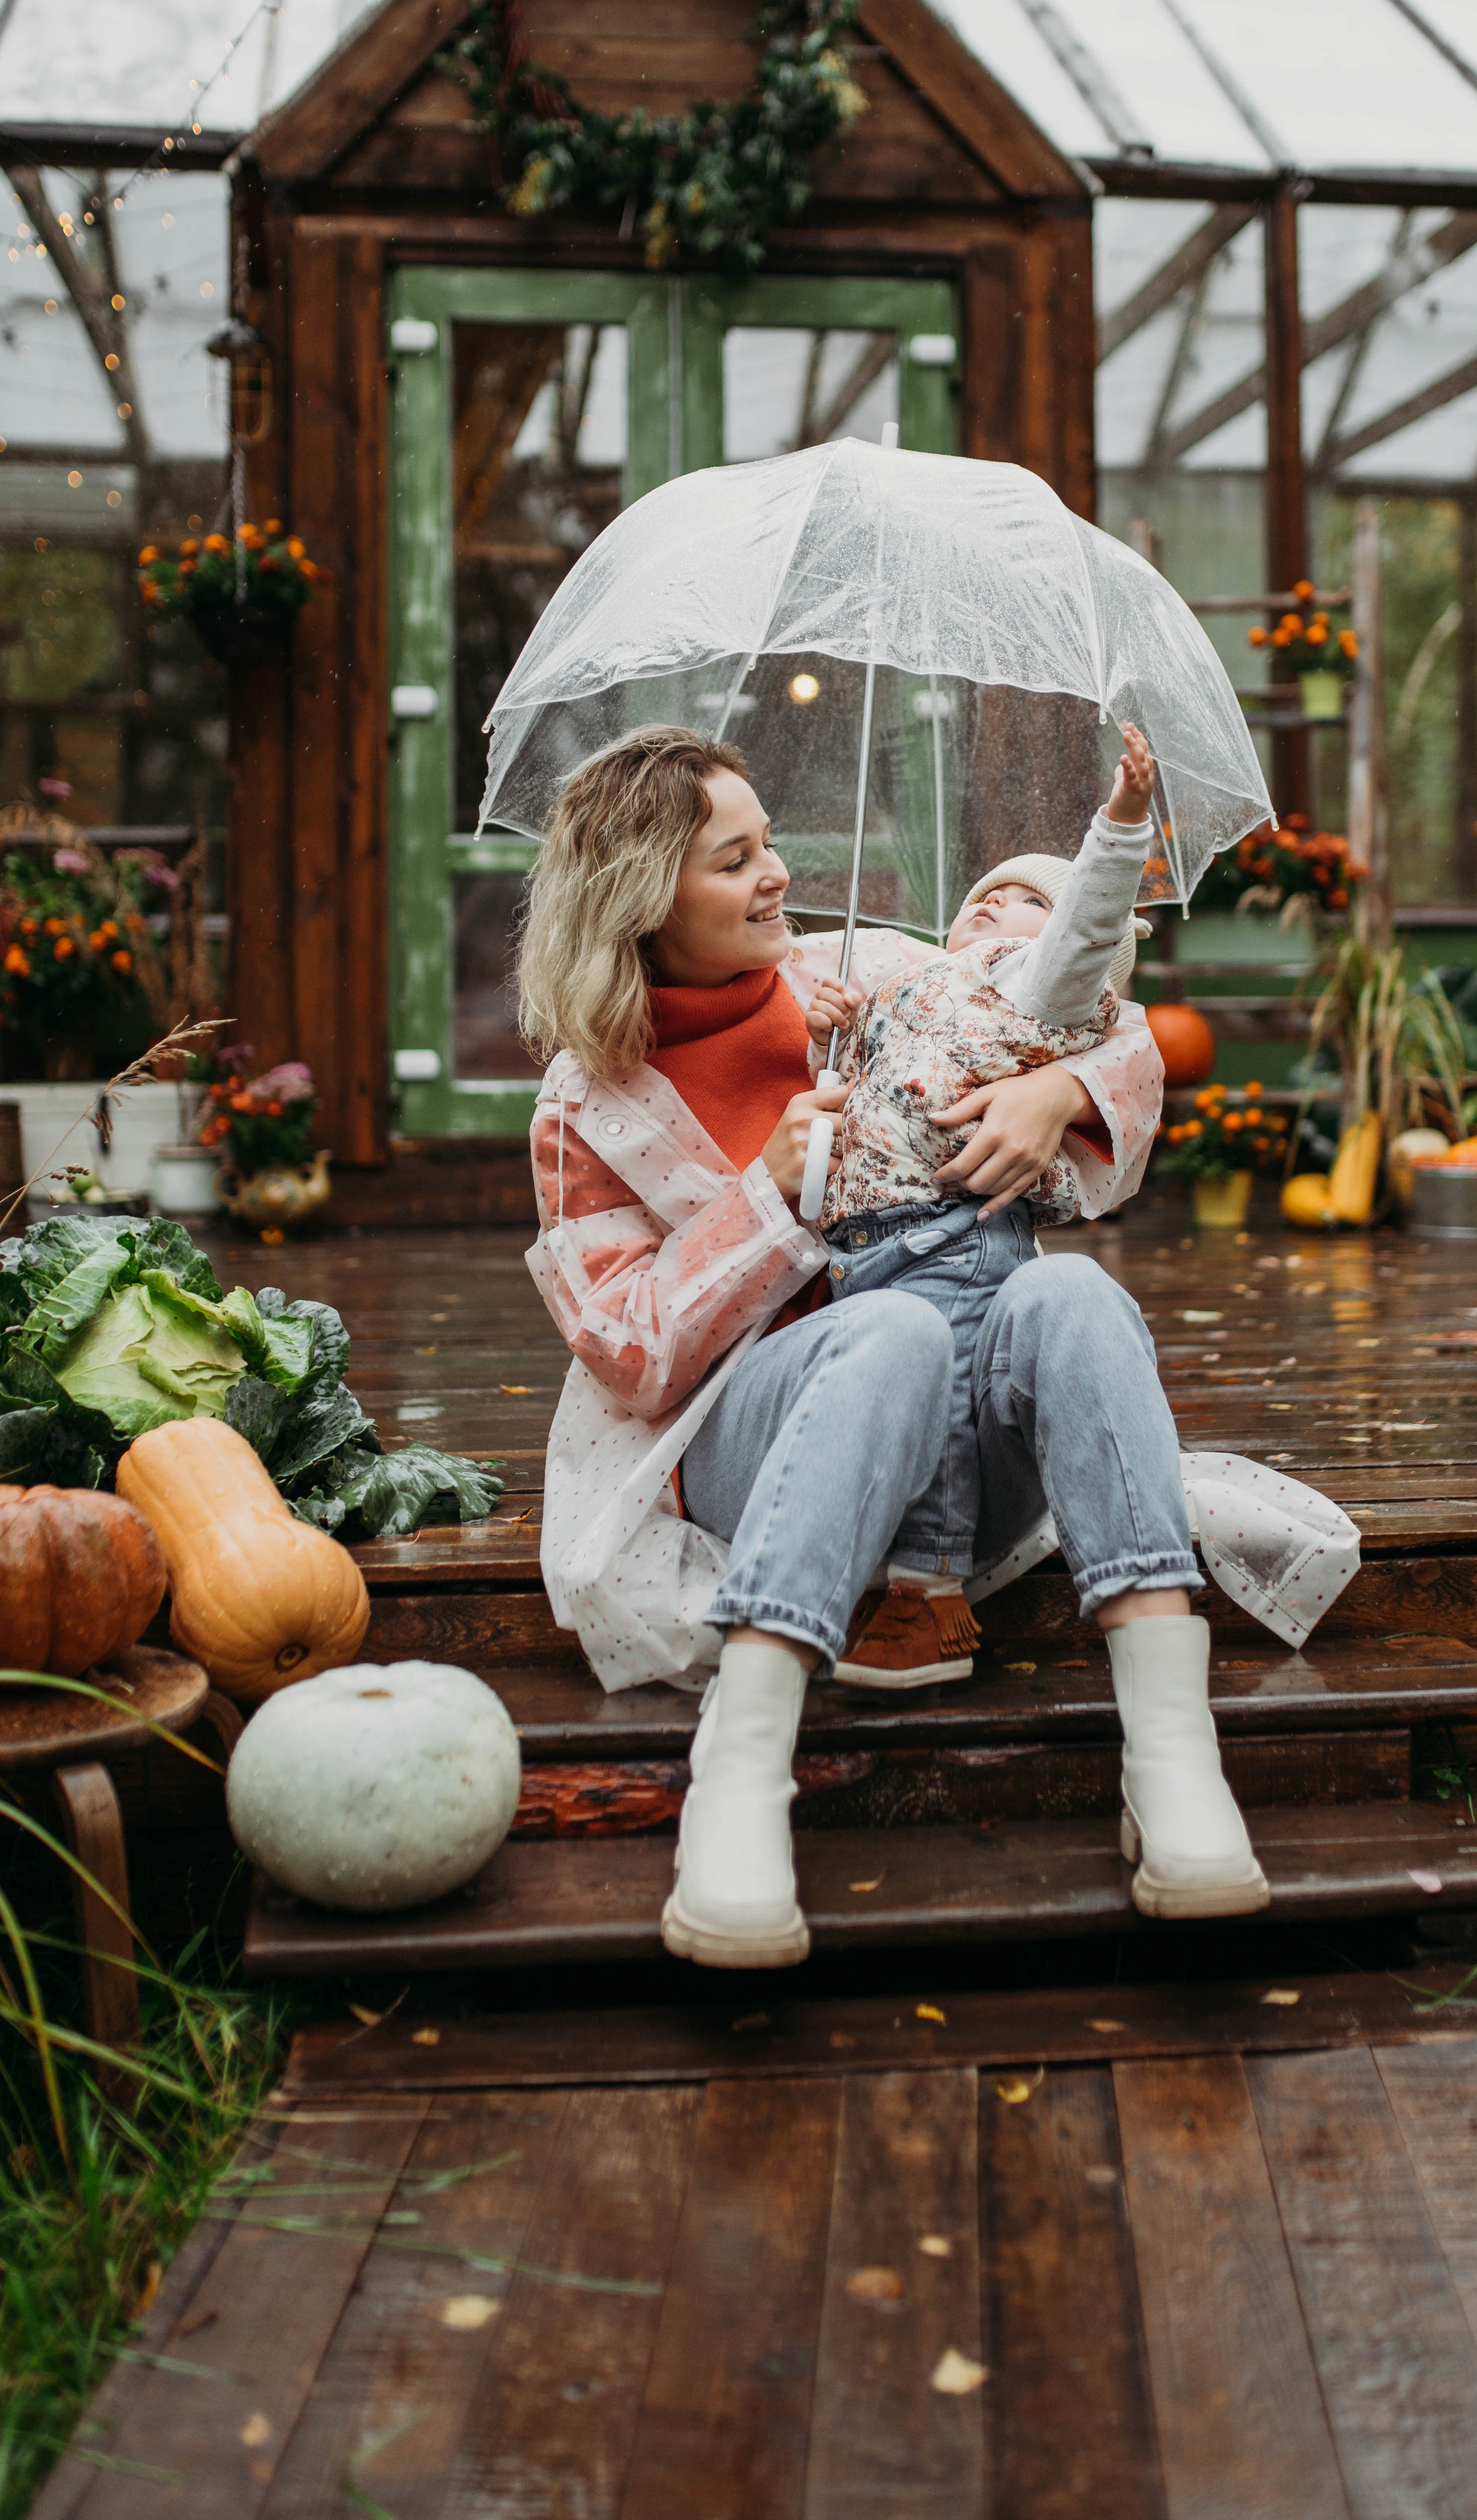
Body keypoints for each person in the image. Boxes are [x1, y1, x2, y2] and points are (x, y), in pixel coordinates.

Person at [515, 725, 1268, 1971]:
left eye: (769, 845)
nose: (776, 876)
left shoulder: (863, 968)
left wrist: (1059, 1097)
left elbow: (1097, 1010)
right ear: (642, 899)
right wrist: (766, 1200)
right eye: (734, 859)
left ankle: (1174, 1758)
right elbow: (631, 1355)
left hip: (964, 1455)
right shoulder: (585, 1103)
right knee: (892, 1329)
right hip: (757, 1452)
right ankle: (739, 1784)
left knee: (1073, 1301)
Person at [796, 720, 1160, 1651]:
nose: (995, 900)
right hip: (859, 1244)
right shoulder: (916, 987)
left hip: (949, 1229)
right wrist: (830, 1029)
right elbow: (851, 1094)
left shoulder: (1034, 994)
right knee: (905, 1379)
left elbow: (1089, 926)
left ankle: (929, 1584)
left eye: (1026, 900)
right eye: (982, 896)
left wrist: (1119, 826)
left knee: (948, 1383)